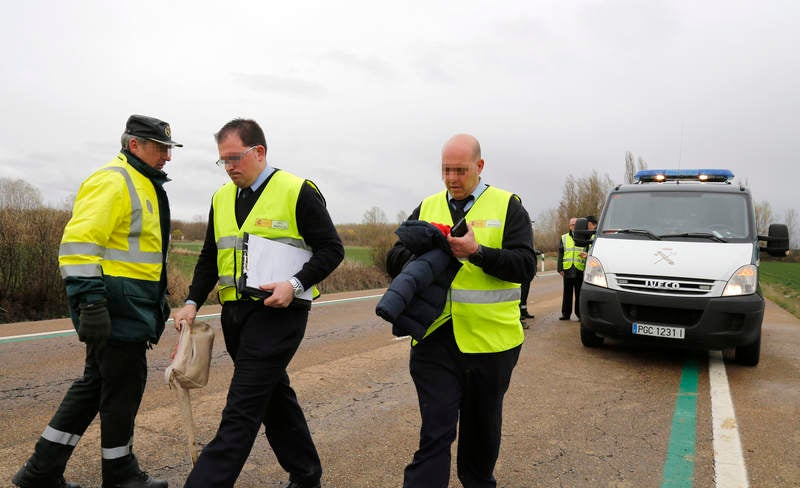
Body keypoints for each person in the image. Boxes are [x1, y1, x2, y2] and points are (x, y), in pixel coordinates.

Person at [171, 119, 344, 488]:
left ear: (259, 152)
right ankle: (307, 475)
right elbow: (209, 257)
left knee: (241, 410)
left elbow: (333, 249)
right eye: (223, 160)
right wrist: (190, 302)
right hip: (236, 316)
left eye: (235, 157)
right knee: (274, 400)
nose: (230, 166)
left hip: (279, 314)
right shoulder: (221, 198)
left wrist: (294, 284)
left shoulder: (296, 190)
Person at [12, 115, 180, 488]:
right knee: (121, 387)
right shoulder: (114, 180)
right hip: (115, 307)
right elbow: (77, 247)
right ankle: (119, 474)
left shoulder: (141, 182)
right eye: (160, 148)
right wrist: (90, 304)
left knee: (95, 387)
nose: (167, 156)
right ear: (134, 145)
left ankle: (41, 471)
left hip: (129, 305)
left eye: (169, 149)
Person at [386, 133, 535, 488]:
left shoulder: (508, 205)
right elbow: (393, 258)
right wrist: (424, 253)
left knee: (480, 435)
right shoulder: (426, 207)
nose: (452, 178)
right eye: (445, 170)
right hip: (435, 338)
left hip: (492, 344)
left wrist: (478, 253)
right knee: (435, 431)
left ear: (479, 167)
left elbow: (525, 265)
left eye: (460, 170)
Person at [557, 217, 588, 321]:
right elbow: (560, 254)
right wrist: (560, 268)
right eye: (572, 225)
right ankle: (566, 314)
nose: (574, 227)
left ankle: (580, 315)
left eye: (576, 225)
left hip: (580, 269)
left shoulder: (585, 237)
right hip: (567, 269)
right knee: (567, 294)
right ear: (569, 226)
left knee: (579, 293)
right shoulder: (564, 237)